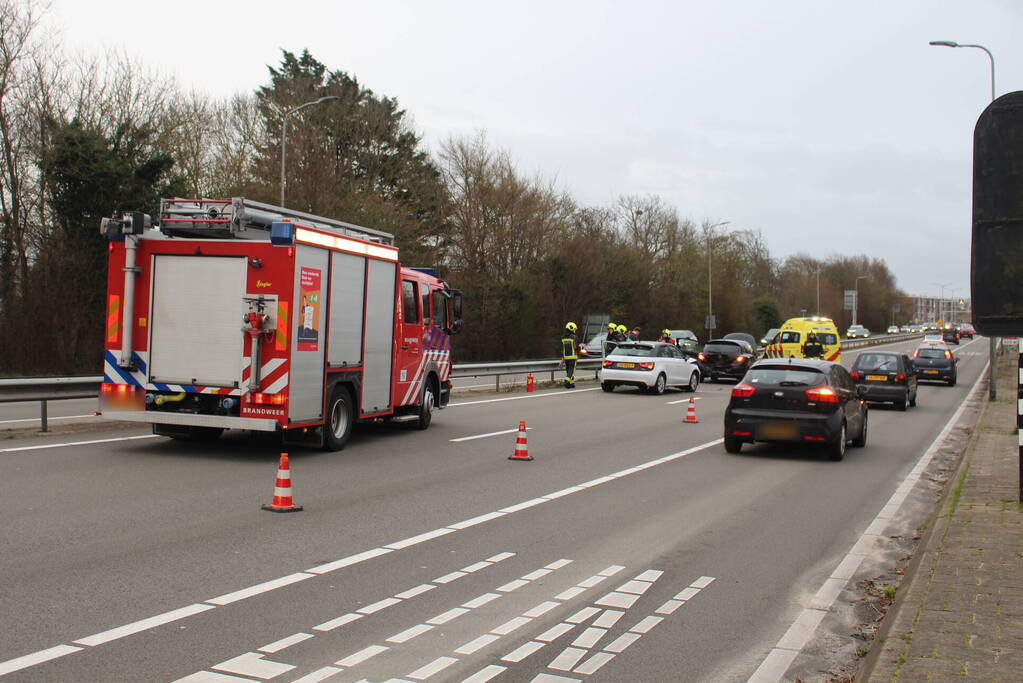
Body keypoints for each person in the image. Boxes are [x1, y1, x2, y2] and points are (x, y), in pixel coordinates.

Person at [561, 322, 579, 389]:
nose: (575, 330)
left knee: (568, 370)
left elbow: (563, 348)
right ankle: (566, 381)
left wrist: (562, 357)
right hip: (572, 357)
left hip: (566, 357)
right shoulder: (574, 337)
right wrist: (580, 348)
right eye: (574, 329)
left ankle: (571, 384)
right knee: (571, 371)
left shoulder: (563, 337)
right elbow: (576, 347)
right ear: (571, 329)